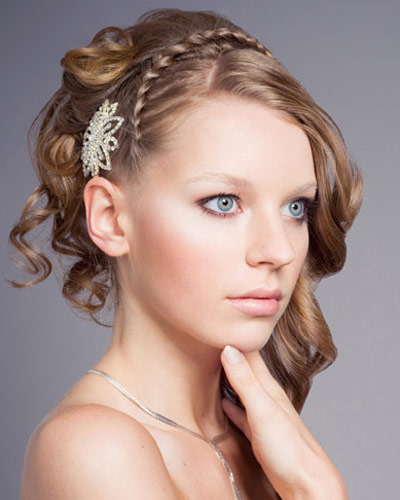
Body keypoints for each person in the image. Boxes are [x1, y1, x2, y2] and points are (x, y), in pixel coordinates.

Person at [10, 7, 363, 500]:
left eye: (295, 207)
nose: (279, 251)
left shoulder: (261, 443)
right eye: (223, 202)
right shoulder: (94, 448)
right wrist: (316, 490)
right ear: (110, 218)